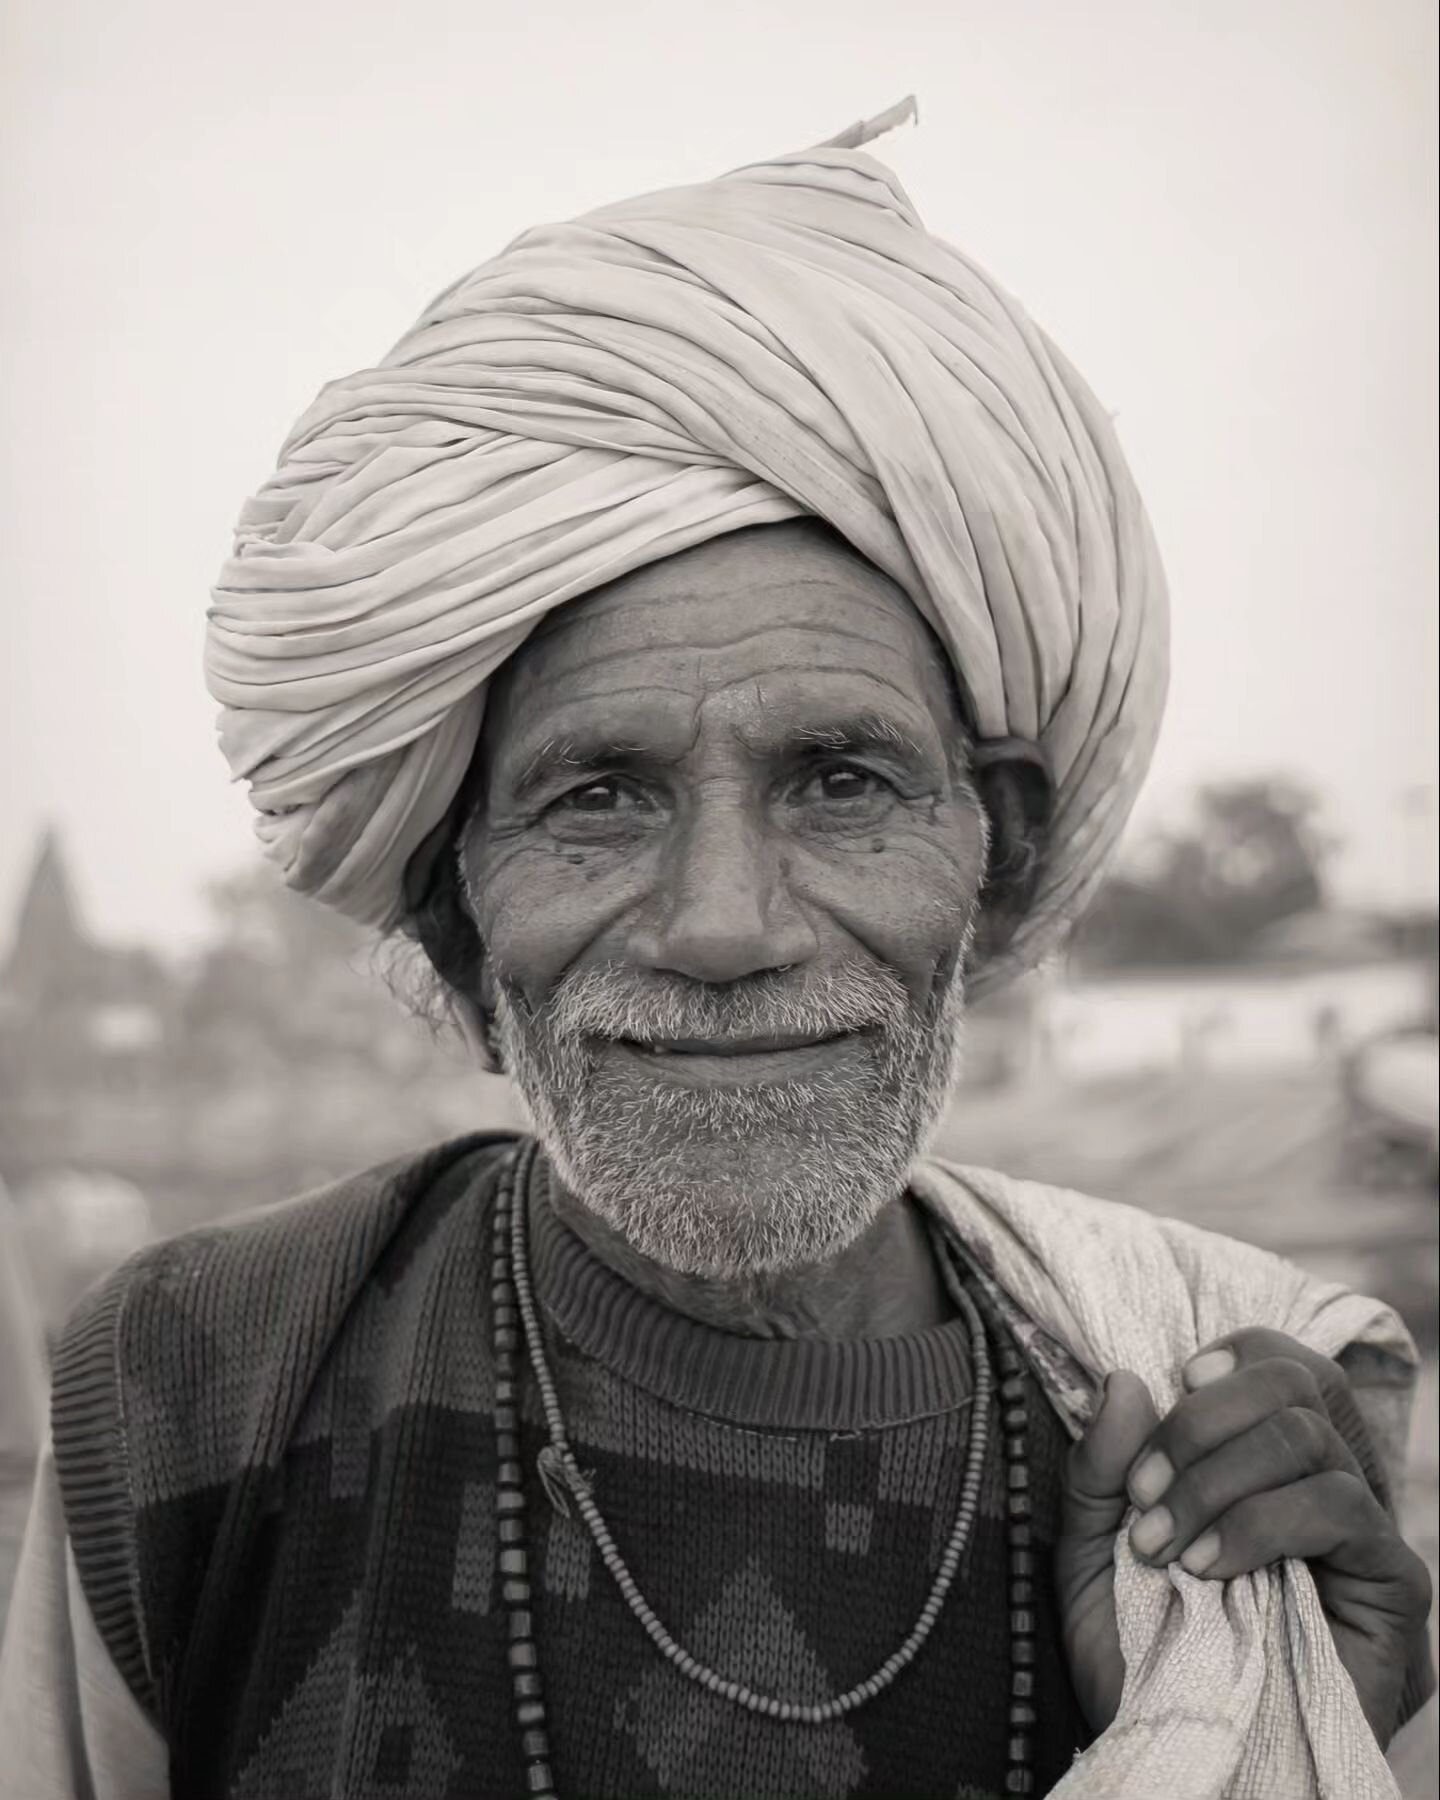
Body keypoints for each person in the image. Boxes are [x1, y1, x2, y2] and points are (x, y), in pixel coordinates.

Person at [0, 103, 1432, 1800]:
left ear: (1001, 849)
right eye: (598, 796)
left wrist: (1266, 1732)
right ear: (463, 919)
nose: (725, 928)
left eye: (841, 780)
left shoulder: (1206, 1448)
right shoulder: (196, 1382)